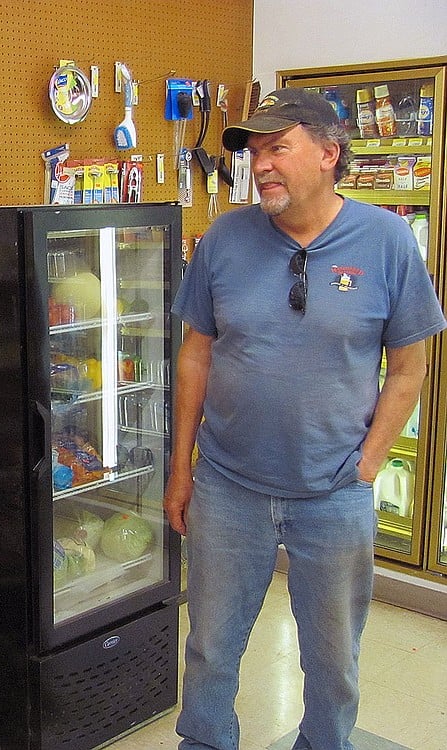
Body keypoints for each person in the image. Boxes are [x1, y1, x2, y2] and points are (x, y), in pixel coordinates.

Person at [164, 88, 446, 750]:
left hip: (333, 493)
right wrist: (181, 470)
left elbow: (409, 369)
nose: (259, 164)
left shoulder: (386, 242)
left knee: (332, 662)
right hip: (228, 486)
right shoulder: (225, 240)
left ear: (327, 153)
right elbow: (193, 360)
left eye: (276, 148)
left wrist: (369, 461)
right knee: (208, 649)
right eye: (253, 152)